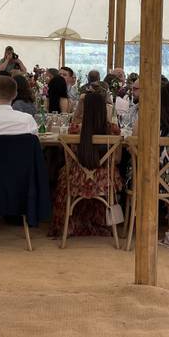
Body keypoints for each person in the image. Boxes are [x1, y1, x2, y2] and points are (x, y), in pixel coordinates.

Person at [49, 91, 122, 238]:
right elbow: (117, 159)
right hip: (104, 180)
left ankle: (70, 224)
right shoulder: (114, 130)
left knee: (61, 173)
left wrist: (77, 112)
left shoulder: (75, 129)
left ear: (84, 108)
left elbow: (67, 157)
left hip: (76, 180)